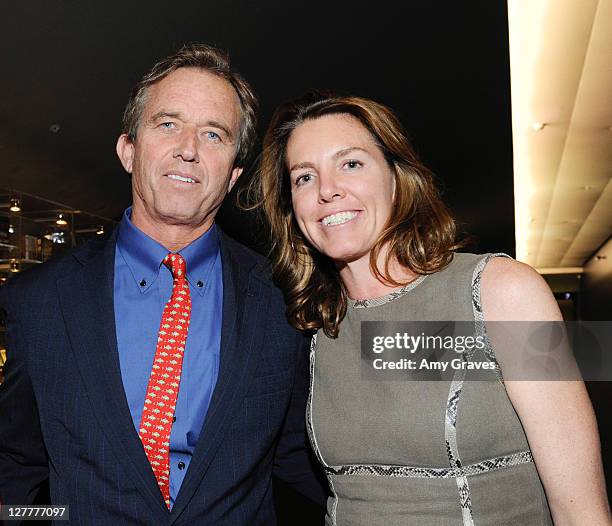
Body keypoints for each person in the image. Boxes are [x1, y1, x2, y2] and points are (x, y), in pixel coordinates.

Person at [0, 44, 325, 524]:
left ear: (234, 173)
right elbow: (14, 463)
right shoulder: (39, 301)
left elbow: (305, 456)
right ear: (128, 150)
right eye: (168, 124)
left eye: (214, 134)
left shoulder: (283, 297)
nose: (189, 148)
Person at [254, 92, 611, 525]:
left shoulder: (501, 293)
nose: (328, 190)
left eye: (351, 164)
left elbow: (582, 510)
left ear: (395, 177)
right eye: (304, 177)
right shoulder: (314, 327)